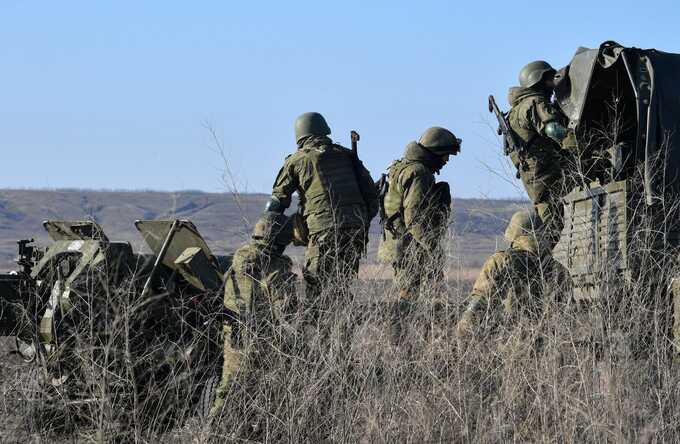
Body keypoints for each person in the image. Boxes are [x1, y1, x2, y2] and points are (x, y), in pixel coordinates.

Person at [267, 112, 378, 321]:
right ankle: (341, 336)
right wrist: (359, 220)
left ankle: (321, 343)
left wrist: (265, 234)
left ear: (300, 136)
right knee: (340, 286)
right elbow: (372, 196)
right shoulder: (347, 156)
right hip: (356, 231)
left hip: (323, 231)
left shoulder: (297, 160)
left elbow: (277, 202)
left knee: (316, 288)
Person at [377, 126, 461, 343]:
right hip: (410, 247)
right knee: (408, 298)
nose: (446, 161)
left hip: (401, 244)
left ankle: (409, 344)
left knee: (412, 297)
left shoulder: (401, 167)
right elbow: (414, 218)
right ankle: (398, 345)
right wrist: (433, 248)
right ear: (434, 152)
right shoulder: (419, 173)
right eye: (445, 155)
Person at [211, 211, 296, 416]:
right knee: (268, 391)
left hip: (234, 332)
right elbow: (285, 309)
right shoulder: (275, 266)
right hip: (262, 337)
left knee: (228, 386)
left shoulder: (238, 259)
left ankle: (213, 428)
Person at [455, 210, 568, 339]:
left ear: (514, 234)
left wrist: (461, 336)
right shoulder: (559, 270)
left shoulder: (501, 260)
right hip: (548, 349)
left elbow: (478, 304)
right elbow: (566, 318)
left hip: (504, 346)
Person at [506, 61, 574, 249]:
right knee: (551, 224)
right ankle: (539, 265)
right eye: (548, 79)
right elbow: (552, 128)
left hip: (535, 175)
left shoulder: (515, 111)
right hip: (546, 172)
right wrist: (576, 144)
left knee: (548, 219)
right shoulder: (535, 102)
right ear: (538, 80)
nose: (552, 85)